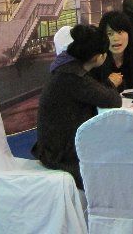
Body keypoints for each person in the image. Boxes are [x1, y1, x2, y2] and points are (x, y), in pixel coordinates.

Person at [32, 24, 122, 188]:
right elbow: (113, 100)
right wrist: (110, 83)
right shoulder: (73, 77)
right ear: (98, 57)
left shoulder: (65, 68)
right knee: (116, 158)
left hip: (54, 147)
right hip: (61, 155)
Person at [91, 10, 133, 92]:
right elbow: (91, 94)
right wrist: (108, 84)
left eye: (120, 32)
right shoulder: (96, 61)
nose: (116, 38)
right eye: (110, 34)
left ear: (129, 34)